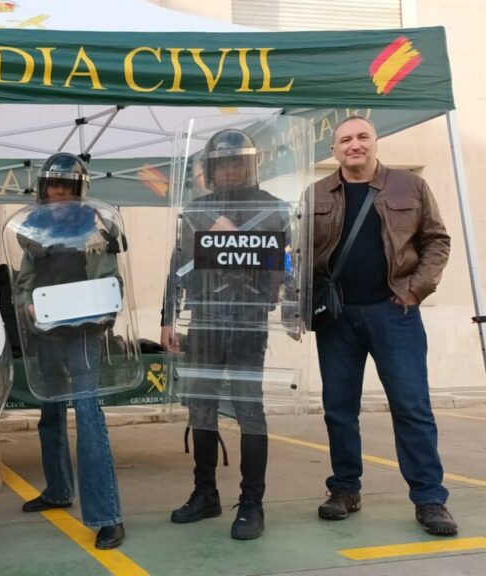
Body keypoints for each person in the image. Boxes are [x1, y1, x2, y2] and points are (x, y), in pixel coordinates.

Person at [312, 116, 457, 536]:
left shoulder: (409, 186)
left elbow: (436, 241)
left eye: (362, 137)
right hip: (337, 318)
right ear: (335, 150)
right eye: (345, 140)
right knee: (339, 409)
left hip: (395, 314)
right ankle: (344, 489)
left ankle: (430, 498)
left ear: (375, 142)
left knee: (412, 407)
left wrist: (415, 290)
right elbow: (298, 251)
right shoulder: (317, 192)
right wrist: (300, 305)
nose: (354, 145)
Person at [161, 128, 289, 540]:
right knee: (201, 408)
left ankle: (252, 502)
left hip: (251, 321)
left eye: (237, 162)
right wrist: (168, 317)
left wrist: (293, 307)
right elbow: (178, 265)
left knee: (249, 410)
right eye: (223, 163)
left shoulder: (275, 210)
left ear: (250, 166)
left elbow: (288, 266)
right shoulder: (194, 211)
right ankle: (205, 493)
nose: (230, 169)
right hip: (205, 319)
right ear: (211, 169)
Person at [14, 153, 126, 550]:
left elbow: (112, 280)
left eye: (66, 186)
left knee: (88, 416)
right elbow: (23, 282)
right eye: (53, 186)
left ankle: (107, 515)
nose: (59, 192)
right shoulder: (34, 231)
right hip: (47, 330)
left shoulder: (98, 228)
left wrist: (99, 310)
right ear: (43, 190)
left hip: (83, 332)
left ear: (79, 190)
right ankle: (59, 489)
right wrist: (26, 303)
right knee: (50, 411)